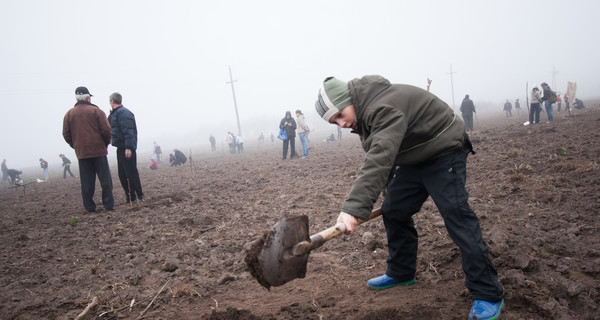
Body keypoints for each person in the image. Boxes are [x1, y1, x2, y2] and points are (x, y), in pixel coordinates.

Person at [315, 75, 504, 320]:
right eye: (334, 122)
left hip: (444, 148)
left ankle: (488, 293)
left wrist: (353, 208)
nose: (340, 124)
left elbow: (380, 156)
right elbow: (387, 154)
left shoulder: (382, 107)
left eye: (340, 115)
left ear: (350, 100)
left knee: (456, 215)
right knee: (394, 209)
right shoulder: (364, 117)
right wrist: (388, 192)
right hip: (417, 157)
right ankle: (401, 272)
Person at [62, 86, 114, 213]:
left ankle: (89, 207)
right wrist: (105, 143)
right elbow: (106, 130)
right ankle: (108, 205)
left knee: (86, 182)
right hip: (99, 151)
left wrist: (76, 145)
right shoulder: (96, 111)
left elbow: (66, 134)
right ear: (87, 98)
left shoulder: (69, 114)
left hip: (82, 153)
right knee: (105, 179)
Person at [108, 92, 143, 205]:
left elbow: (129, 131)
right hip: (120, 147)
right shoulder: (115, 114)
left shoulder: (124, 113)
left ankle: (139, 196)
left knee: (131, 173)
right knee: (122, 174)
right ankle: (130, 197)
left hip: (127, 148)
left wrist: (128, 147)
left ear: (112, 101)